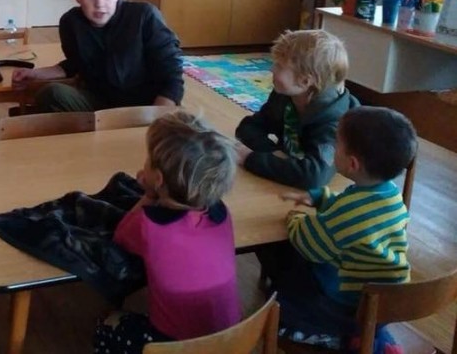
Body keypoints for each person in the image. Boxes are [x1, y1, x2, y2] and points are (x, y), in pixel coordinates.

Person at [262, 106, 418, 351]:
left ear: (352, 163)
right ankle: (372, 337)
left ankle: (336, 337)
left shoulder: (351, 212)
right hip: (383, 300)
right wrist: (319, 198)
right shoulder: (388, 194)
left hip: (347, 304)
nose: (333, 149)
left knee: (289, 278)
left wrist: (295, 219)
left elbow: (310, 245)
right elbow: (347, 207)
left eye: (336, 145)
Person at [94, 110, 241, 353]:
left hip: (177, 347)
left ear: (159, 179)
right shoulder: (222, 214)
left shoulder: (149, 225)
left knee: (106, 324)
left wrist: (149, 195)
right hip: (234, 338)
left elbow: (120, 237)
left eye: (148, 160)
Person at [12, 0, 184, 112]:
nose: (99, 4)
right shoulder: (71, 22)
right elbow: (74, 65)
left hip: (143, 106)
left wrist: (154, 121)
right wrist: (35, 74)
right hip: (99, 103)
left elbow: (172, 79)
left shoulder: (144, 16)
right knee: (51, 93)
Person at [235, 29, 360, 189]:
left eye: (279, 66)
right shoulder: (284, 96)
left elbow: (314, 176)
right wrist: (274, 153)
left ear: (305, 81)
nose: (272, 69)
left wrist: (251, 159)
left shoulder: (335, 122)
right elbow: (248, 127)